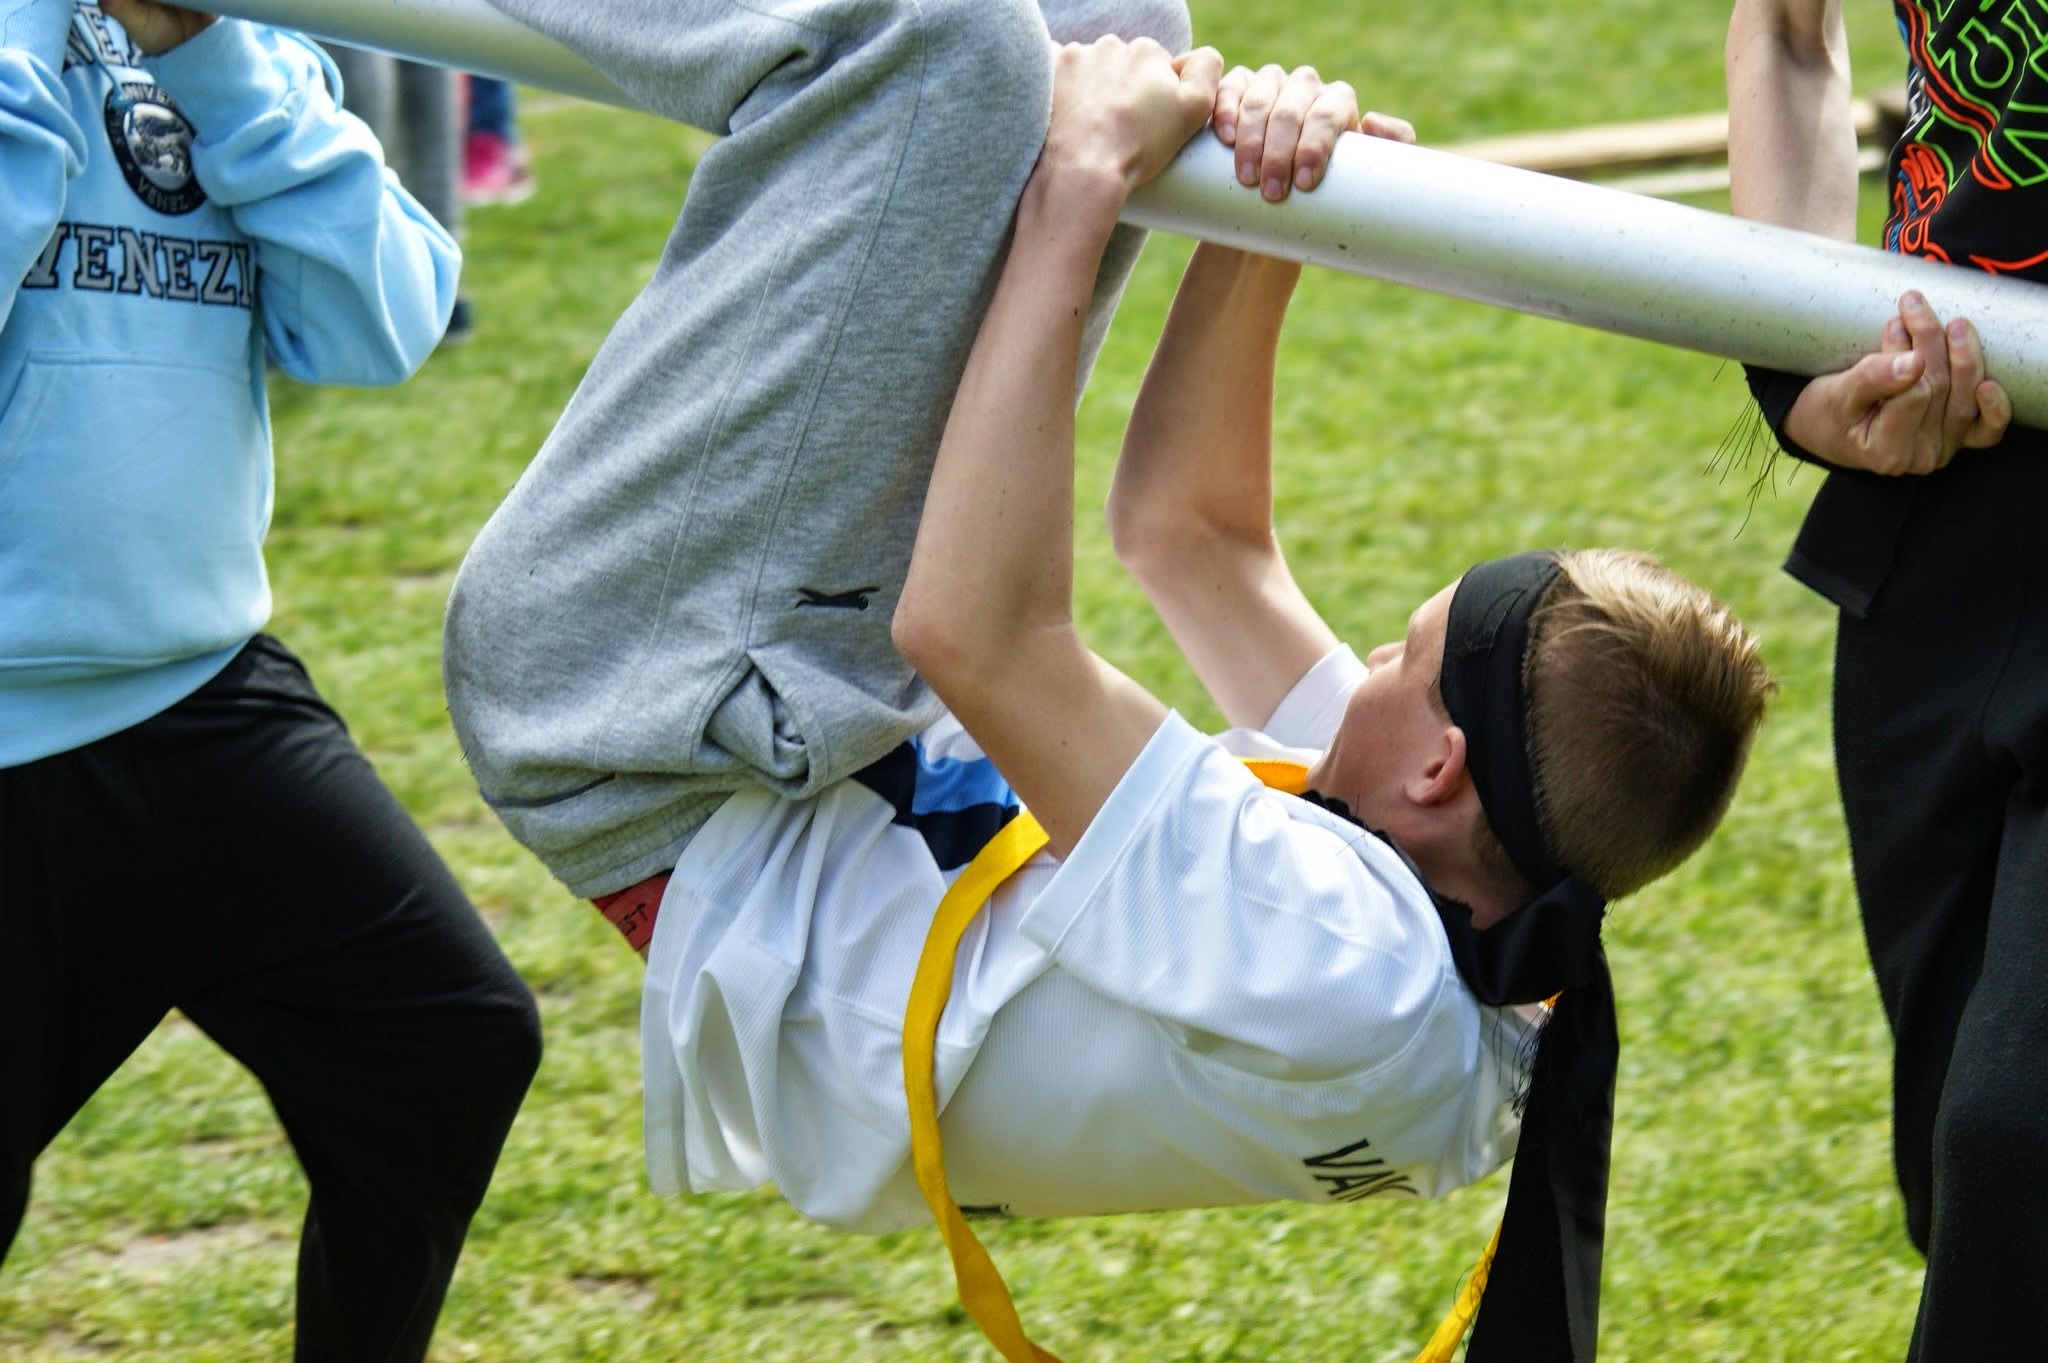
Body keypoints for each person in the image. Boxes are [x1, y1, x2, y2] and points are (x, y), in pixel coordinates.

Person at [0, 4, 542, 1360]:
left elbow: (383, 323)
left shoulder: (217, 41)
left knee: (443, 1046)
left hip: (198, 696)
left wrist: (210, 61)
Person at [1727, 2, 2042, 1354]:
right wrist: (1798, 368)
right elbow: (1789, 33)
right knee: (1960, 1180)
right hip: (1946, 521)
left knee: (2019, 1140)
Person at [462, 74, 534, 207]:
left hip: (493, 134)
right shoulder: (478, 190)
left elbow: (512, 153)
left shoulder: (500, 175)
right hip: (473, 134)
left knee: (492, 86)